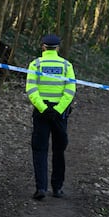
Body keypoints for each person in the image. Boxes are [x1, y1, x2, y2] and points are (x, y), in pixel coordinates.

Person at [26, 34, 76, 200]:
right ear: (58, 48)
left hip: (41, 113)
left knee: (40, 149)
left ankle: (41, 188)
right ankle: (57, 188)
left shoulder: (36, 64)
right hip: (60, 114)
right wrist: (58, 109)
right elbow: (70, 90)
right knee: (59, 150)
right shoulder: (66, 65)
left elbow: (31, 89)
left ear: (43, 47)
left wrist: (43, 108)